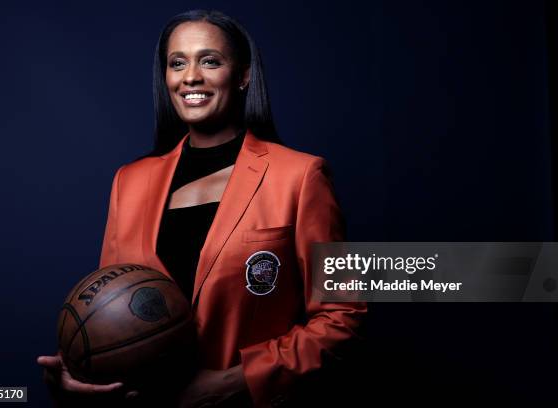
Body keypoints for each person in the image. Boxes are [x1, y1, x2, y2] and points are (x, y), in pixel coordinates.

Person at [38, 9, 367, 407]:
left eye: (209, 60)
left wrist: (236, 381)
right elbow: (111, 308)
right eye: (177, 63)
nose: (190, 76)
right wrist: (82, 371)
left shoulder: (300, 176)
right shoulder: (130, 181)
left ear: (243, 75)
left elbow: (341, 315)